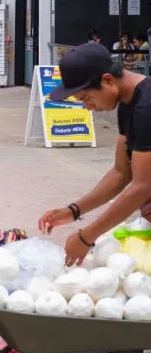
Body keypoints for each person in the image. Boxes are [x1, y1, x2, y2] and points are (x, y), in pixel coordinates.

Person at [39, 43, 151, 267]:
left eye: (87, 98)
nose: (88, 108)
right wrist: (74, 210)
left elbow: (143, 186)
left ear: (107, 80)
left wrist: (87, 236)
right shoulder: (128, 105)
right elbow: (121, 172)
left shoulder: (147, 107)